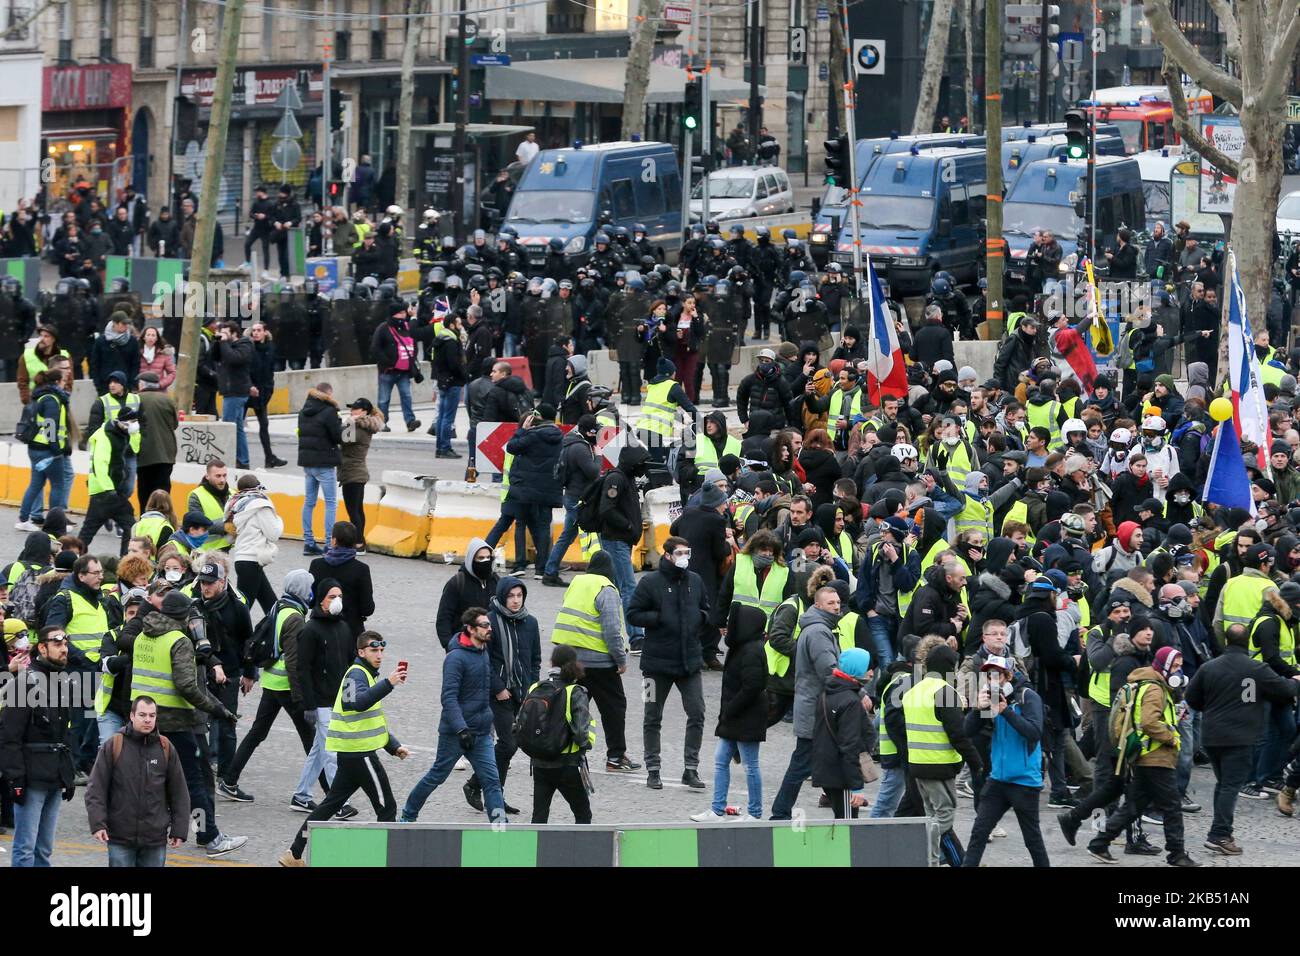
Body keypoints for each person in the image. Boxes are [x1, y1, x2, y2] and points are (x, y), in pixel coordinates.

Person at [128, 590, 245, 857]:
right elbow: (186, 686)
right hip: (176, 723)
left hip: (144, 721)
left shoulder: (143, 636)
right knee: (195, 782)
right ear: (182, 615)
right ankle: (209, 836)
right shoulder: (178, 640)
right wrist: (217, 708)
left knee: (149, 781)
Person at [281, 630, 410, 866]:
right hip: (359, 755)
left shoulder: (365, 675)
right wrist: (389, 683)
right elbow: (356, 704)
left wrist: (393, 746)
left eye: (381, 650)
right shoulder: (355, 674)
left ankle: (294, 854)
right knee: (387, 808)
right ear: (361, 652)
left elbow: (372, 721)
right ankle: (385, 861)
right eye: (374, 650)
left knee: (331, 804)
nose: (379, 655)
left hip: (352, 755)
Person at [1185, 623, 1300, 855]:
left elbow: (1192, 698)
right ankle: (1219, 835)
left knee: (1223, 784)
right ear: (1248, 641)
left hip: (1212, 736)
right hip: (1241, 737)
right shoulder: (1257, 668)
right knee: (1230, 786)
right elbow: (1285, 690)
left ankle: (1220, 832)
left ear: (1226, 640)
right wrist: (1296, 680)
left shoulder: (1209, 667)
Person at [1086, 645, 1199, 867]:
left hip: (1146, 756)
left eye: (1179, 667)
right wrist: (1171, 737)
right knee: (1172, 806)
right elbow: (1149, 722)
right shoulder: (1155, 689)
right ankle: (1176, 853)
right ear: (1164, 666)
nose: (1178, 672)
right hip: (1155, 757)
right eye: (1174, 667)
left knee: (1133, 807)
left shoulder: (1152, 685)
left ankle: (1099, 843)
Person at [218, 570, 324, 805]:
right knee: (313, 741)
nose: (312, 592)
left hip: (272, 683)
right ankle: (332, 799)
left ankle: (229, 780)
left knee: (257, 733)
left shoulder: (280, 607)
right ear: (301, 590)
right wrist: (305, 701)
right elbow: (295, 662)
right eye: (309, 587)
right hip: (287, 687)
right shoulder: (295, 618)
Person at [401, 608, 508, 823]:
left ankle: (500, 829)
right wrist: (461, 728)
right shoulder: (456, 658)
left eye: (489, 625)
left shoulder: (484, 652)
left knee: (492, 781)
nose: (489, 629)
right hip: (456, 733)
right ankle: (408, 815)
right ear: (470, 629)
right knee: (437, 776)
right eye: (484, 625)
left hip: (481, 732)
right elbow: (448, 698)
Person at [628, 536, 709, 791]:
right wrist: (658, 617)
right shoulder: (650, 583)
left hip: (689, 664)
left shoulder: (695, 581)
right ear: (667, 555)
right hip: (655, 665)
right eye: (680, 552)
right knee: (652, 716)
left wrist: (700, 619)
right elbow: (632, 613)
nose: (685, 556)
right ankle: (653, 769)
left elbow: (706, 610)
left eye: (688, 551)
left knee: (697, 713)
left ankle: (691, 768)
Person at [552, 550, 641, 773]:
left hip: (570, 660)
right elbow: (612, 631)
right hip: (599, 663)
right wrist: (620, 660)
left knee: (570, 707)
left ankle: (558, 749)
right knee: (614, 708)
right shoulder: (606, 589)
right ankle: (616, 756)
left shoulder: (576, 582)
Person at [961, 655, 1050, 867]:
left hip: (1024, 781)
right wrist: (977, 709)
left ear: (1008, 676)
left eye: (997, 675)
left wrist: (1005, 711)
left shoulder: (1027, 696)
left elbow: (1034, 732)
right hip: (998, 780)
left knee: (1032, 840)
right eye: (989, 675)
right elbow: (966, 732)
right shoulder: (990, 698)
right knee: (979, 833)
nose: (993, 680)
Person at [899, 643, 984, 866]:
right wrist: (976, 762)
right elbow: (957, 733)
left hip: (917, 764)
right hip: (940, 764)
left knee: (931, 815)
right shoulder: (944, 691)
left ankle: (932, 860)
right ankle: (928, 858)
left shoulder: (913, 690)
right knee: (943, 817)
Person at [462, 576, 540, 815]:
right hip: (497, 693)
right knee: (508, 743)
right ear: (503, 596)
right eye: (511, 596)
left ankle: (486, 790)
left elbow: (534, 660)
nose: (515, 601)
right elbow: (484, 658)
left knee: (509, 746)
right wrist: (498, 687)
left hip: (521, 692)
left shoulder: (530, 622)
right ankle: (482, 788)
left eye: (519, 595)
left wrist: (531, 688)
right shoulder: (491, 621)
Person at [0, 627, 76, 867]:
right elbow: (8, 736)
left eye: (65, 643)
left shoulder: (62, 682)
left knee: (44, 850)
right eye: (57, 643)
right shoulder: (25, 683)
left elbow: (65, 733)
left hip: (53, 776)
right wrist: (15, 779)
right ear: (42, 648)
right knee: (25, 848)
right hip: (31, 779)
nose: (64, 648)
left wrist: (68, 774)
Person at [84, 695, 190, 867]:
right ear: (132, 716)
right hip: (120, 837)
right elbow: (96, 788)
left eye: (152, 715)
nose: (147, 720)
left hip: (154, 839)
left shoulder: (165, 747)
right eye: (142, 715)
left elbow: (179, 792)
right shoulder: (114, 744)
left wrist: (179, 829)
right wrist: (98, 824)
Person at [770, 586, 847, 820]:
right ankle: (780, 814)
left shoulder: (819, 628)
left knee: (827, 764)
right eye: (831, 603)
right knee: (803, 764)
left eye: (838, 602)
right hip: (817, 711)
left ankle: (844, 815)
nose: (836, 606)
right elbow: (828, 671)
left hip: (816, 708)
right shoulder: (818, 632)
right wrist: (855, 689)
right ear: (818, 605)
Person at [690, 603, 768, 822]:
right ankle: (717, 809)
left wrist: (730, 710)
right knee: (721, 759)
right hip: (736, 716)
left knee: (750, 765)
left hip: (744, 716)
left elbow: (752, 687)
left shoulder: (751, 650)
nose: (727, 628)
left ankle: (754, 812)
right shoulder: (743, 647)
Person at [292, 579, 355, 814]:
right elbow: (303, 669)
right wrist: (308, 704)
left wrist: (350, 696)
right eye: (331, 596)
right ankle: (338, 802)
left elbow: (349, 664)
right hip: (320, 702)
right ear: (320, 599)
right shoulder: (310, 630)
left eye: (339, 596)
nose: (337, 601)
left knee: (319, 751)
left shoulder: (343, 627)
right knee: (332, 752)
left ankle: (301, 795)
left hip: (337, 701)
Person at [191, 559, 253, 784]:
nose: (205, 587)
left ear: (222, 582)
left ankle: (226, 777)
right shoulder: (195, 606)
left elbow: (248, 640)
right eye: (202, 582)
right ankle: (199, 769)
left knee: (227, 726)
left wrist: (249, 673)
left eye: (210, 583)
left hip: (230, 674)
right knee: (197, 725)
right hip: (202, 672)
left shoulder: (237, 607)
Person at [528, 645, 597, 824]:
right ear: (574, 664)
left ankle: (536, 851)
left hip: (539, 763)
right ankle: (581, 851)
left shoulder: (536, 687)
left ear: (552, 663)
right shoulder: (575, 691)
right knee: (583, 814)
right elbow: (582, 732)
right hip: (567, 764)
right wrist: (585, 746)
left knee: (539, 817)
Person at [594, 445, 652, 651]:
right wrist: (627, 526)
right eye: (642, 463)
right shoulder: (616, 479)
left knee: (618, 588)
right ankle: (636, 637)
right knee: (628, 588)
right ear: (633, 463)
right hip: (616, 541)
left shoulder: (625, 478)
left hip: (622, 541)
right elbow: (607, 509)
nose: (644, 467)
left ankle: (613, 634)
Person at [810, 647, 872, 819]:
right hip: (841, 776)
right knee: (848, 826)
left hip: (828, 769)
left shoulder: (828, 692)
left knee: (844, 824)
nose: (872, 672)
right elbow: (850, 746)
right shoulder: (850, 701)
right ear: (856, 670)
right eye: (868, 667)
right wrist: (856, 787)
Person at [542, 414, 601, 587]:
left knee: (567, 535)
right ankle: (601, 571)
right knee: (597, 532)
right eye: (594, 430)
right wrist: (598, 455)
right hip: (579, 498)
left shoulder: (573, 443)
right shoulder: (580, 448)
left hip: (573, 496)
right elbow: (593, 472)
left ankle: (550, 572)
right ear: (588, 432)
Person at [16, 367, 72, 533]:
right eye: (63, 381)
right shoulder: (51, 399)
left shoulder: (40, 395)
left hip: (36, 448)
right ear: (56, 382)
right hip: (48, 450)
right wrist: (57, 450)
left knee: (36, 484)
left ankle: (23, 519)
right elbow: (50, 426)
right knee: (58, 485)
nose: (64, 384)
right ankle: (55, 523)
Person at [78, 406, 138, 555]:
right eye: (132, 421)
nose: (135, 424)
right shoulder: (105, 436)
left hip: (112, 492)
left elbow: (135, 450)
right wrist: (109, 490)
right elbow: (100, 464)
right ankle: (73, 560)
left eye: (136, 420)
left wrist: (135, 433)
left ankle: (124, 561)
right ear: (122, 422)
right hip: (103, 493)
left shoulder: (123, 434)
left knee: (130, 528)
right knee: (88, 533)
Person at [297, 382, 343, 556]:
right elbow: (338, 437)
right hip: (324, 463)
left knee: (309, 502)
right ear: (328, 394)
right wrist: (347, 424)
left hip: (308, 463)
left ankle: (308, 542)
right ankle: (330, 544)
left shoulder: (304, 410)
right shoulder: (329, 411)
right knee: (330, 503)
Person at [227, 474, 283, 614]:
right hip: (252, 560)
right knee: (242, 610)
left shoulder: (235, 504)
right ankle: (233, 635)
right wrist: (280, 520)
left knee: (271, 604)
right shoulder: (260, 505)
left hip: (243, 559)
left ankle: (279, 631)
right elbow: (274, 534)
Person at [308, 521, 375, 637]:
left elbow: (310, 601)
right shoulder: (361, 569)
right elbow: (367, 609)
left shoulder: (316, 565)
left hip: (319, 629)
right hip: (351, 632)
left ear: (334, 541)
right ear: (354, 543)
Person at [370, 300, 424, 433]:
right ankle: (382, 423)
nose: (404, 315)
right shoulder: (383, 328)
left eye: (404, 312)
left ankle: (410, 421)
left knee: (407, 397)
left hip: (404, 371)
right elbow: (375, 348)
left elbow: (413, 344)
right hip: (387, 371)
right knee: (384, 399)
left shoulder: (407, 327)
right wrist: (388, 362)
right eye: (401, 313)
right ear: (394, 314)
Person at [340, 398, 384, 550]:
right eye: (351, 408)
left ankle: (358, 543)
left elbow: (344, 439)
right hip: (356, 472)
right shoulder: (363, 425)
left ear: (364, 412)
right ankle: (360, 540)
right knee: (357, 510)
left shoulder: (360, 428)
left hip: (353, 473)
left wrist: (348, 422)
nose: (352, 411)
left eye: (355, 409)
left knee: (354, 511)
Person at [212, 322, 254, 468]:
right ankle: (243, 460)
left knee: (229, 427)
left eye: (225, 332)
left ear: (234, 333)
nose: (223, 335)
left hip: (236, 392)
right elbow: (214, 356)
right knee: (237, 428)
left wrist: (224, 342)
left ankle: (231, 460)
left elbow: (233, 359)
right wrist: (217, 342)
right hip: (230, 391)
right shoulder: (226, 345)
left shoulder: (244, 345)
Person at [135, 372, 178, 513]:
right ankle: (163, 519)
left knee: (145, 491)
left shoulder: (136, 399)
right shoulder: (168, 400)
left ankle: (145, 519)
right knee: (163, 491)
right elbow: (175, 424)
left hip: (144, 454)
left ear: (142, 384)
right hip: (166, 454)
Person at [248, 322, 288, 468]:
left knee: (264, 424)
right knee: (237, 425)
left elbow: (270, 371)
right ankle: (240, 458)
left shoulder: (271, 348)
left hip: (263, 391)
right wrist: (249, 386)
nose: (256, 333)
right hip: (248, 390)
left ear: (265, 332)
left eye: (259, 330)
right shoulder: (249, 348)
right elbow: (246, 369)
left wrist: (269, 388)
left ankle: (269, 457)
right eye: (254, 331)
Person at [432, 312, 469, 458]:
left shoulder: (441, 339)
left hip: (443, 381)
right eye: (459, 324)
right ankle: (445, 447)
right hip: (453, 381)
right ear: (452, 325)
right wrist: (464, 375)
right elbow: (454, 364)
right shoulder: (451, 341)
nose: (461, 327)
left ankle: (440, 447)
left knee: (442, 416)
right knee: (448, 417)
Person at [186, 460, 232, 552]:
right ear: (207, 476)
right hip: (204, 551)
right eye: (218, 476)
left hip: (226, 547)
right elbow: (198, 525)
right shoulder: (196, 495)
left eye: (224, 475)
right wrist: (225, 527)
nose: (222, 480)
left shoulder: (232, 494)